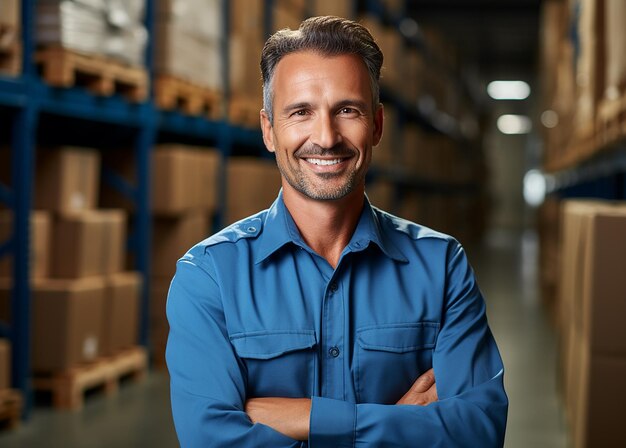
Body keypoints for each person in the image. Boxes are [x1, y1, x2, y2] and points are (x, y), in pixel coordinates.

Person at [166, 16, 508, 447]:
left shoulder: (441, 267)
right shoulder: (210, 276)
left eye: (347, 110)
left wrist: (307, 418)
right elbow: (211, 439)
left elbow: (477, 433)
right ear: (269, 130)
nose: (326, 137)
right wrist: (393, 424)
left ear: (378, 126)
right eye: (300, 112)